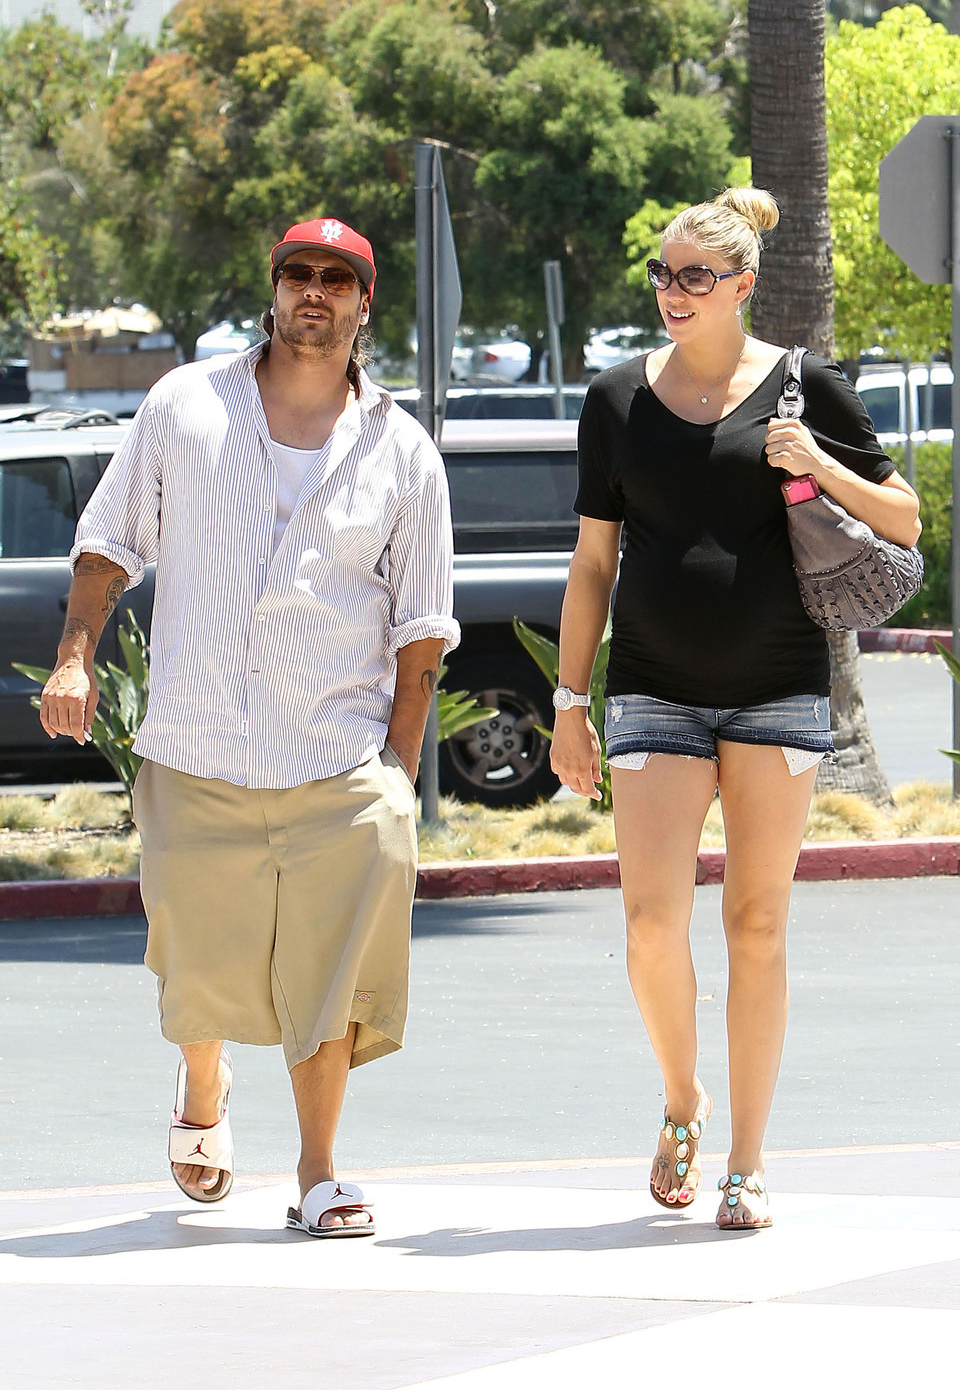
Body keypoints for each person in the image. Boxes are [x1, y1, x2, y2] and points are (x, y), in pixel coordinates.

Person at [39, 216, 459, 1238]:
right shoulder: (184, 405)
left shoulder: (403, 451)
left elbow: (421, 631)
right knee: (198, 963)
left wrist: (399, 773)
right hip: (197, 744)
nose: (312, 291)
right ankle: (204, 1081)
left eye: (335, 279)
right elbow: (110, 540)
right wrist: (75, 656)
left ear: (364, 303)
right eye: (295, 273)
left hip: (337, 754)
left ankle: (318, 1172)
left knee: (332, 971)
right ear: (273, 289)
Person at [550, 188, 920, 1230]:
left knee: (756, 925)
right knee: (648, 928)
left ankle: (748, 1163)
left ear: (742, 285)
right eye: (663, 275)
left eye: (695, 277)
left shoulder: (807, 388)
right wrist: (570, 701)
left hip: (778, 685)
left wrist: (817, 461)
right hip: (653, 687)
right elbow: (593, 564)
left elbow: (904, 517)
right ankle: (684, 1100)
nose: (673, 293)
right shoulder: (616, 400)